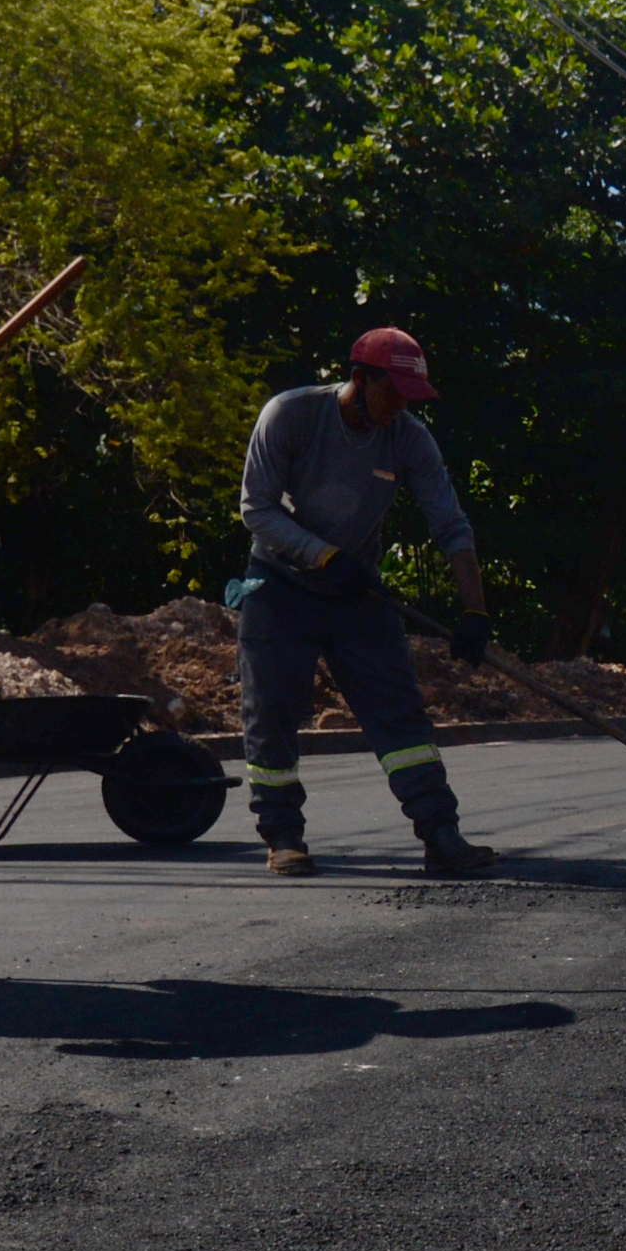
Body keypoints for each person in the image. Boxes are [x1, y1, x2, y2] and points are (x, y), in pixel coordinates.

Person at [235, 327, 498, 879]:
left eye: (409, 396)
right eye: (392, 391)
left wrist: (474, 611)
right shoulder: (291, 415)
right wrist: (324, 555)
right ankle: (283, 836)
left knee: (399, 713)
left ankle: (441, 835)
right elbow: (256, 509)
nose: (400, 406)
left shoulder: (408, 438)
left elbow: (450, 525)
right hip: (281, 586)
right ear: (359, 378)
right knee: (273, 711)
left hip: (358, 592)